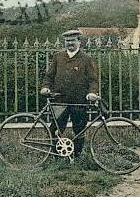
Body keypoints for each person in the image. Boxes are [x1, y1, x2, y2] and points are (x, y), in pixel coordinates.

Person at [40, 29, 100, 159]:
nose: (70, 44)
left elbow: (93, 80)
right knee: (55, 129)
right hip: (60, 100)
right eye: (67, 41)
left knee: (79, 130)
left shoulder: (86, 59)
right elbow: (49, 76)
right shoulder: (58, 56)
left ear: (79, 42)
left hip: (79, 101)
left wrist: (92, 92)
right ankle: (55, 157)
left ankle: (77, 157)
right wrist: (45, 87)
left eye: (72, 41)